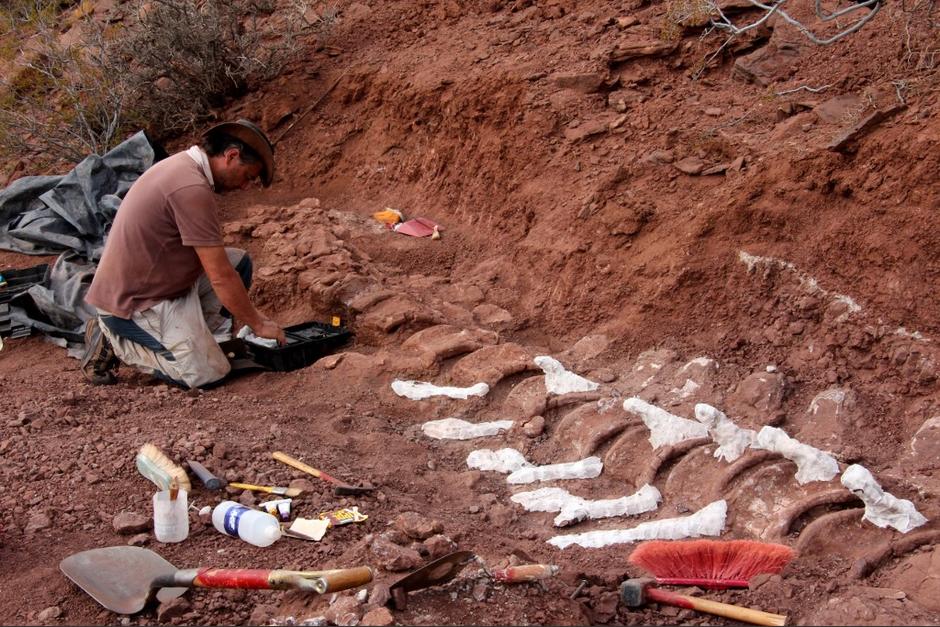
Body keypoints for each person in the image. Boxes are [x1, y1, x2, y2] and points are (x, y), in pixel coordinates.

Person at [80, 119, 286, 388]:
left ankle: (202, 343)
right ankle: (113, 338)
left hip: (161, 282)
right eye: (248, 176)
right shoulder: (190, 188)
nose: (246, 186)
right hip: (135, 303)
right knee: (207, 374)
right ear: (232, 155)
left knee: (240, 263)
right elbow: (220, 276)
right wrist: (258, 324)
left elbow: (224, 267)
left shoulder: (185, 168)